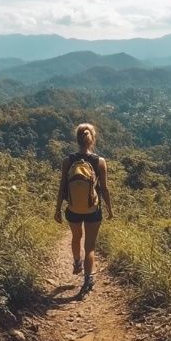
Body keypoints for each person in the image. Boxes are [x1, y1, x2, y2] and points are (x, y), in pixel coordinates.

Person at [54, 123, 113, 296]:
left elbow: (62, 187)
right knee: (90, 247)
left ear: (77, 140)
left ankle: (77, 262)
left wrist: (57, 209)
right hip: (93, 209)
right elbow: (105, 189)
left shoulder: (68, 161)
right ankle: (87, 280)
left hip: (73, 209)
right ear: (92, 139)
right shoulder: (99, 161)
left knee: (76, 237)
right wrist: (110, 209)